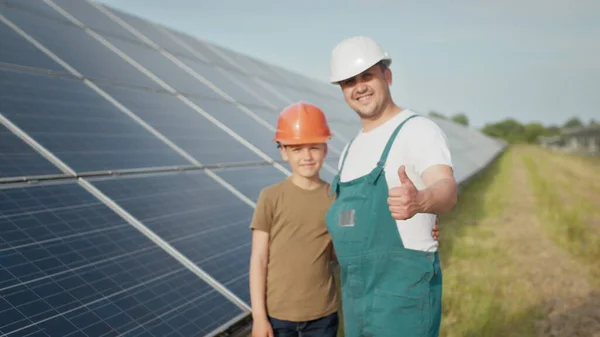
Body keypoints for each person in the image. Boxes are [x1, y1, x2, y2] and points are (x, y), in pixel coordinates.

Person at [248, 102, 442, 337]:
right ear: (283, 151)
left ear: (325, 149)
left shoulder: (336, 199)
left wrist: (421, 227)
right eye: (297, 149)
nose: (307, 156)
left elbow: (354, 241)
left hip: (323, 315)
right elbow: (258, 259)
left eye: (314, 147)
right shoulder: (270, 197)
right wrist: (259, 316)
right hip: (278, 316)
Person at [325, 36, 458, 337]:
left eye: (367, 76)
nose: (359, 87)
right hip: (356, 295)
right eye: (348, 81)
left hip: (401, 294)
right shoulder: (349, 150)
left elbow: (447, 190)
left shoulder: (417, 130)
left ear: (387, 76)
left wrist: (421, 201)